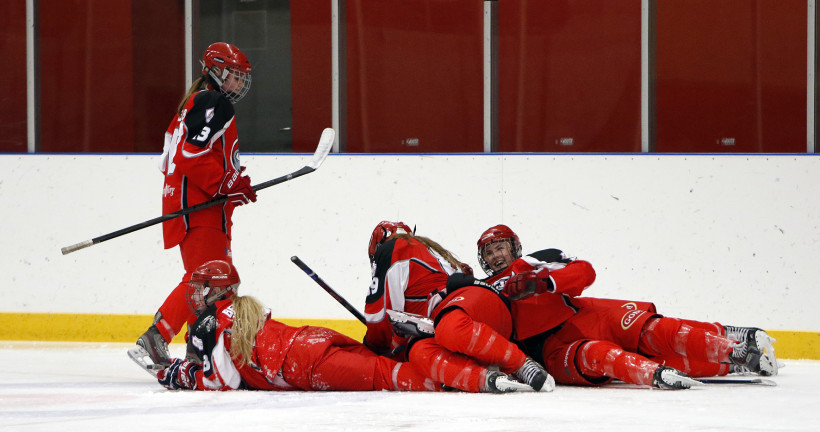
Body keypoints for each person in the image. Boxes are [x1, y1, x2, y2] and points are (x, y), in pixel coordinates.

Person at [475, 224, 779, 390]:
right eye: (488, 253)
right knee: (605, 357)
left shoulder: (534, 261)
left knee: (652, 330)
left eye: (499, 247)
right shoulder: (481, 290)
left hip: (583, 318)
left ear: (513, 246)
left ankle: (734, 347)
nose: (494, 256)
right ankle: (721, 366)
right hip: (548, 352)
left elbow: (586, 272)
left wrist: (544, 283)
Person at [128, 42, 258, 372]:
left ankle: (199, 352)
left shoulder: (193, 104)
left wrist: (231, 186)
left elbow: (181, 157)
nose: (239, 84)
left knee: (217, 282)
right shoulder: (212, 101)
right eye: (234, 76)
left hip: (199, 206)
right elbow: (190, 154)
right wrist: (224, 184)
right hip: (198, 208)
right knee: (208, 281)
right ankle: (155, 339)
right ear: (216, 72)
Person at [155, 261, 440, 392]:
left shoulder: (209, 321)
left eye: (200, 287)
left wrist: (185, 375)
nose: (194, 294)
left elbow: (223, 381)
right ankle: (438, 355)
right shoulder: (244, 308)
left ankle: (453, 378)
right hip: (311, 339)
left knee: (386, 375)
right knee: (385, 362)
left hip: (304, 363)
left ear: (216, 291)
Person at [365, 221, 553, 393]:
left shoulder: (394, 248)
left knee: (450, 327)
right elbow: (399, 323)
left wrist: (372, 348)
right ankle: (485, 379)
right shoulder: (435, 255)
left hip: (474, 307)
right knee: (418, 353)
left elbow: (380, 318)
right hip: (474, 332)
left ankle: (522, 365)